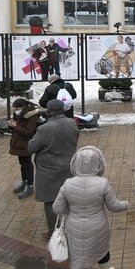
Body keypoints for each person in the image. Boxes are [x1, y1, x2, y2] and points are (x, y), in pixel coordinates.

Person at [54, 146, 128, 269]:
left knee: (78, 262)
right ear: (98, 163)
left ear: (76, 163)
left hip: (75, 228)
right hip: (98, 225)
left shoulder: (68, 184)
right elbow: (114, 206)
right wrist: (126, 204)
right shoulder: (103, 183)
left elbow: (57, 209)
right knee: (101, 249)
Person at [29, 99, 80, 240]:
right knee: (67, 198)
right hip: (69, 167)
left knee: (50, 201)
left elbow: (31, 147)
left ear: (50, 111)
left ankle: (54, 231)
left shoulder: (44, 128)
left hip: (49, 171)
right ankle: (70, 227)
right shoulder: (71, 123)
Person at [8, 98, 39, 199]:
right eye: (15, 109)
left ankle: (30, 186)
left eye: (18, 108)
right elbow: (17, 128)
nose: (16, 111)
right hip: (18, 143)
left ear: (23, 107)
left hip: (26, 144)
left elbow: (28, 132)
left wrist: (16, 126)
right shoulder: (18, 114)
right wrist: (11, 125)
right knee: (22, 163)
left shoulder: (31, 115)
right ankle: (24, 181)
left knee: (27, 164)